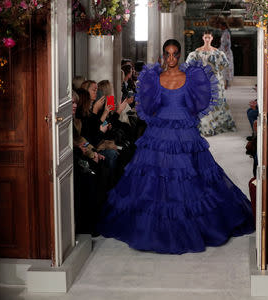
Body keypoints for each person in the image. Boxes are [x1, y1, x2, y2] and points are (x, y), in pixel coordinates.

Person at [98, 39, 255, 254]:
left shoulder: (191, 77)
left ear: (179, 55)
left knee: (190, 176)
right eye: (167, 54)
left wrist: (185, 117)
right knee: (157, 176)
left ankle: (197, 223)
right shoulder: (155, 78)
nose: (171, 59)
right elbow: (148, 105)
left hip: (184, 130)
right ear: (163, 55)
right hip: (160, 130)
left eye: (174, 54)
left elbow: (199, 103)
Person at [186, 30, 236, 136]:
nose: (207, 39)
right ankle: (205, 127)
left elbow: (224, 65)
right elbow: (189, 67)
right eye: (205, 37)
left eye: (209, 37)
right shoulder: (196, 53)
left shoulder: (218, 53)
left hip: (215, 81)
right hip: (201, 82)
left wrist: (216, 74)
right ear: (203, 38)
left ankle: (214, 125)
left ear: (212, 38)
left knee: (216, 102)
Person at [219, 20, 234, 89]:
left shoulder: (226, 33)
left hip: (226, 53)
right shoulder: (224, 33)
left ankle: (226, 84)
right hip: (223, 52)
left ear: (224, 26)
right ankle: (224, 83)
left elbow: (227, 44)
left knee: (226, 68)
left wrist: (225, 52)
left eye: (221, 26)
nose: (220, 27)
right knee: (223, 68)